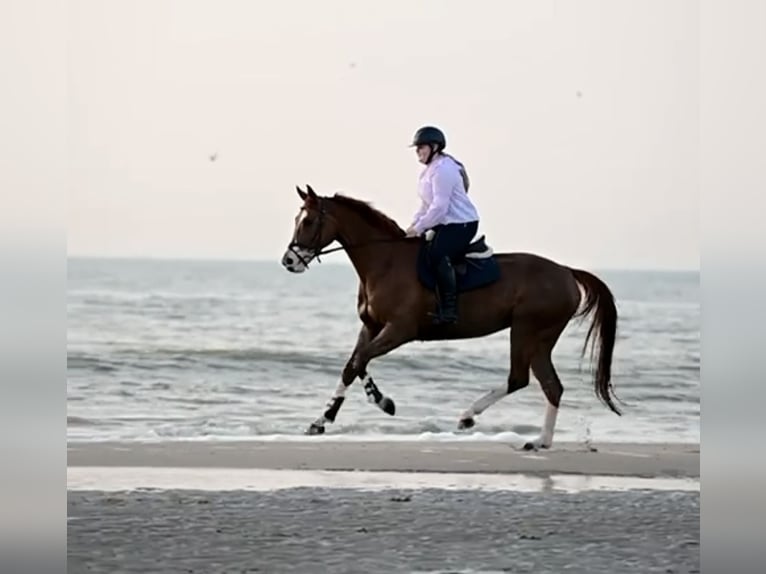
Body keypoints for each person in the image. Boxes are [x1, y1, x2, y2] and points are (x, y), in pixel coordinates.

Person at [405, 126, 480, 325]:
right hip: (445, 222)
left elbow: (439, 208)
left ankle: (449, 310)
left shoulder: (444, 170)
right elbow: (425, 205)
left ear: (435, 147)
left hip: (462, 224)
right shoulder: (428, 172)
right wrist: (413, 226)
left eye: (421, 147)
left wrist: (419, 228)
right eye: (417, 148)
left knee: (437, 254)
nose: (418, 151)